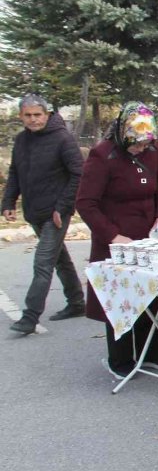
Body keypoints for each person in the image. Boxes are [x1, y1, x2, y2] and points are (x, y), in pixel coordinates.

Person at [76, 102, 158, 378]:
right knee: (122, 300)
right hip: (115, 241)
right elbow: (86, 203)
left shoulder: (152, 153)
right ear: (121, 135)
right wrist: (112, 234)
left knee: (153, 294)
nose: (141, 149)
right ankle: (120, 359)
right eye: (136, 145)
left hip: (148, 237)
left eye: (145, 145)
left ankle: (153, 352)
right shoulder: (102, 156)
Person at [2, 94, 85, 334]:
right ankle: (77, 302)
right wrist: (8, 201)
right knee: (60, 259)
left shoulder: (63, 139)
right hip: (34, 210)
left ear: (46, 115)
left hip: (56, 213)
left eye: (37, 115)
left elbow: (78, 174)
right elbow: (16, 172)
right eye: (28, 115)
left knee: (43, 262)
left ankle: (30, 317)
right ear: (21, 116)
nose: (33, 119)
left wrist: (63, 206)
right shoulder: (21, 141)